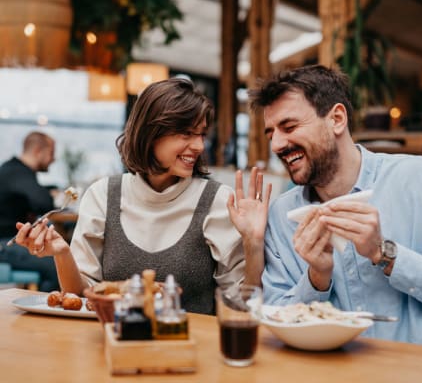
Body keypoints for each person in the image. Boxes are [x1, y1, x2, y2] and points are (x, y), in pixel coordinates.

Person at [236, 64, 422, 353]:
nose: (277, 145)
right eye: (271, 133)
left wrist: (384, 253)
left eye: (289, 127)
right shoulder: (281, 216)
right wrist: (317, 279)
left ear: (336, 119)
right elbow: (275, 317)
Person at [13, 78, 266, 315]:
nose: (199, 146)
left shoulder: (218, 200)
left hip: (191, 348)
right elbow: (80, 297)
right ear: (150, 133)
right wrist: (62, 254)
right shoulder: (103, 195)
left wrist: (253, 244)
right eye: (186, 134)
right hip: (111, 344)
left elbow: (241, 303)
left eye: (201, 134)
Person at [0, 131, 59, 292]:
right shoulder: (17, 172)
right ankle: (44, 311)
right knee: (58, 266)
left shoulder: (14, 170)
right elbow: (45, 202)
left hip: (11, 241)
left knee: (57, 258)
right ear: (38, 151)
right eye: (51, 153)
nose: (54, 159)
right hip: (5, 244)